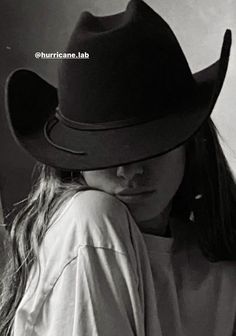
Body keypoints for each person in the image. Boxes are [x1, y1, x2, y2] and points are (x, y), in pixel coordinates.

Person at [0, 0, 235, 335]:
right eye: (107, 153)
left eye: (150, 146)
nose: (129, 172)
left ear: (190, 142)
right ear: (76, 161)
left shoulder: (216, 264)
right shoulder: (90, 220)